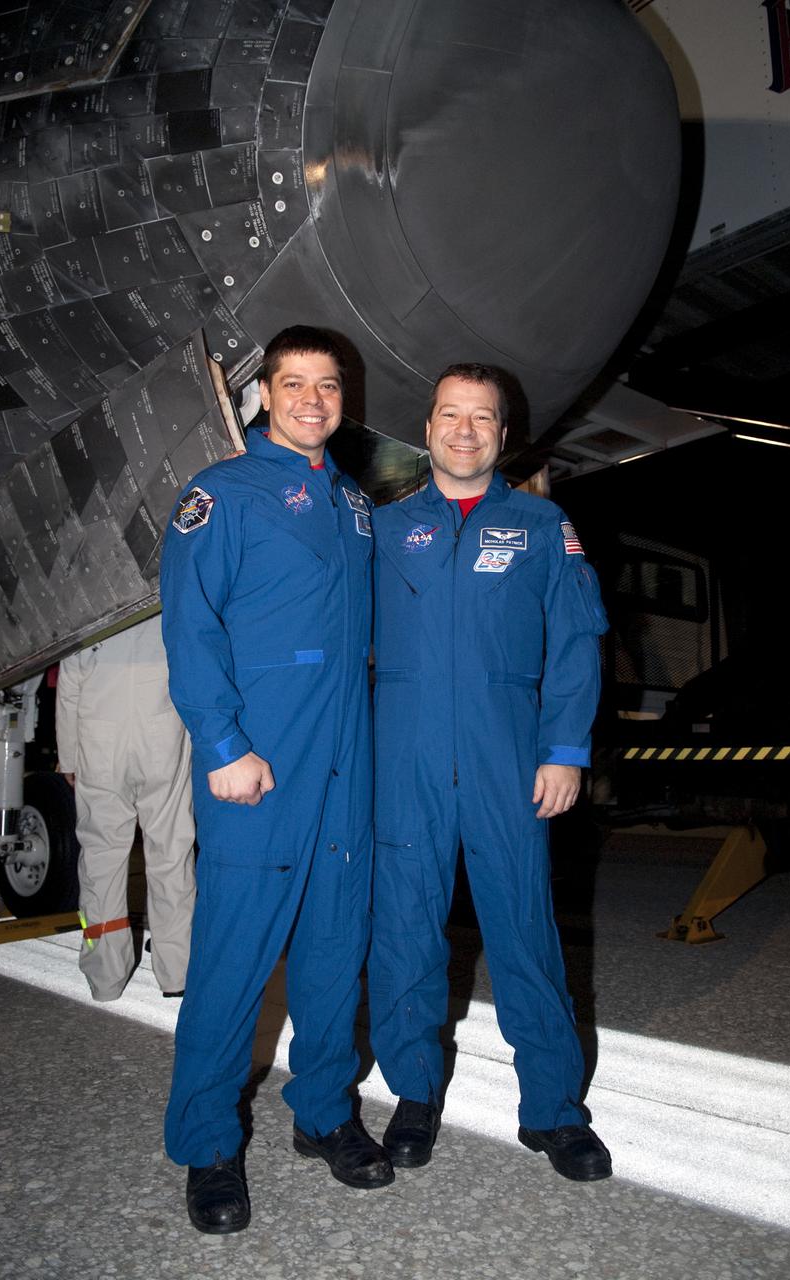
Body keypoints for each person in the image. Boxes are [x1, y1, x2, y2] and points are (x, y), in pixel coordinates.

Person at [159, 326, 388, 1236]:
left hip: (344, 762)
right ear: (264, 394)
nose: (311, 400)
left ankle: (325, 1110)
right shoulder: (221, 495)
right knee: (233, 961)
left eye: (328, 386)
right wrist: (222, 746)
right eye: (294, 383)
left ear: (343, 399)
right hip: (261, 758)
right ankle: (208, 1141)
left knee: (335, 948)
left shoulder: (354, 504)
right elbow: (192, 629)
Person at [367, 363, 612, 1181]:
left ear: (502, 437)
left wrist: (565, 749)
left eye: (482, 418)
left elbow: (576, 642)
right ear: (427, 428)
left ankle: (552, 1110)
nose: (464, 430)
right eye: (449, 415)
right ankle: (413, 1094)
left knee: (524, 933)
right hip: (404, 759)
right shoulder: (387, 528)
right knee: (404, 931)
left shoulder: (542, 526)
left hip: (509, 758)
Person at [55, 614, 195, 1001]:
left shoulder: (88, 601)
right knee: (171, 852)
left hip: (99, 741)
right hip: (163, 735)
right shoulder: (167, 596)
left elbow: (70, 684)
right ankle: (177, 971)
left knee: (102, 859)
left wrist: (68, 758)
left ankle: (106, 976)